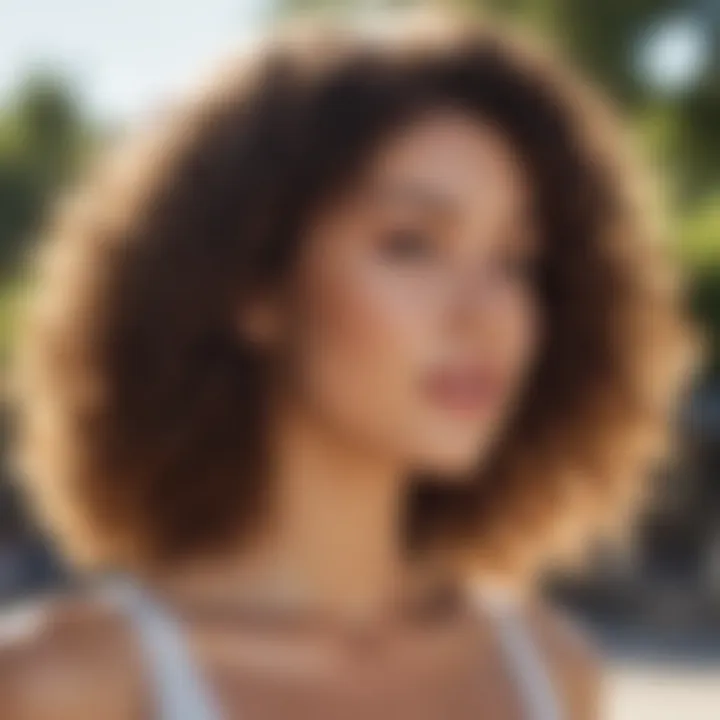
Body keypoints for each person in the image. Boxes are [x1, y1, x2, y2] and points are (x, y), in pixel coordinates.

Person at [2, 9, 696, 719]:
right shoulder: (69, 685)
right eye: (411, 244)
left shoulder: (553, 669)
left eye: (515, 262)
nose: (486, 312)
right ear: (255, 284)